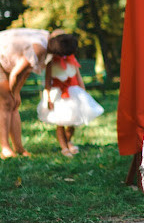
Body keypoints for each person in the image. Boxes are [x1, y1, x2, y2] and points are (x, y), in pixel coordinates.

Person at [37, 33, 104, 155]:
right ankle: (64, 147)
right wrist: (48, 98)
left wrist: (84, 94)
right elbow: (47, 82)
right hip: (57, 94)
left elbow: (78, 77)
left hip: (73, 93)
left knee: (72, 121)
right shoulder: (51, 63)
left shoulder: (72, 60)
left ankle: (68, 140)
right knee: (60, 122)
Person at [0, 27, 50, 158]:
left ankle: (19, 148)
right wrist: (15, 93)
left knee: (13, 104)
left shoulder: (47, 40)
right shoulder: (40, 48)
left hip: (6, 58)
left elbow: (25, 71)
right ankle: (5, 148)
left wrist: (16, 92)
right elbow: (16, 74)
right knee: (6, 102)